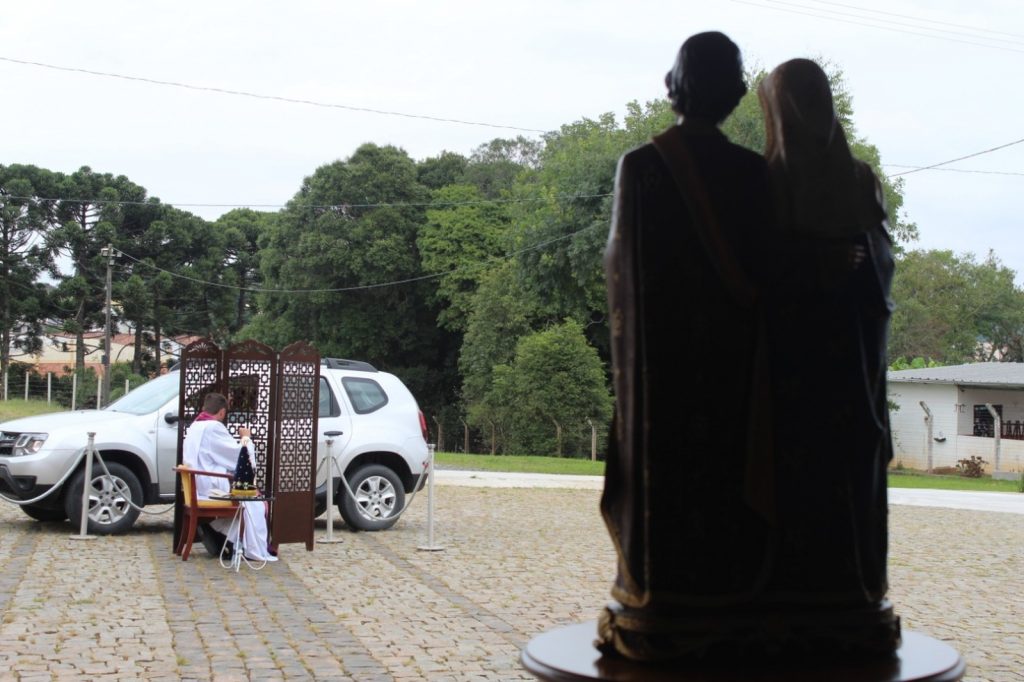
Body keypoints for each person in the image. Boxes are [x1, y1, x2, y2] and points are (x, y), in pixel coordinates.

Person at [598, 32, 776, 660]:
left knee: (663, 484)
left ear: (673, 85)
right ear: (733, 92)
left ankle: (657, 593)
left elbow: (621, 276)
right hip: (733, 367)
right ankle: (725, 591)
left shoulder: (642, 167)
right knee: (725, 478)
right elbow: (771, 273)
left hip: (660, 369)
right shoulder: (754, 172)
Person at [757, 58, 897, 632]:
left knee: (839, 472)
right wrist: (822, 267)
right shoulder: (765, 183)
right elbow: (754, 273)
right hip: (794, 365)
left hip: (841, 360)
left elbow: (880, 269)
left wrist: (839, 270)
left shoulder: (855, 180)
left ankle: (851, 590)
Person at [182, 392, 277, 562]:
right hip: (212, 485)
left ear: (204, 408)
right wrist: (246, 437)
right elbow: (238, 456)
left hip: (197, 484)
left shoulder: (195, 426)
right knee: (254, 501)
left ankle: (225, 537)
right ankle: (249, 546)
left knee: (250, 497)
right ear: (222, 412)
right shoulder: (213, 427)